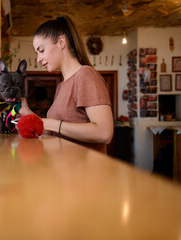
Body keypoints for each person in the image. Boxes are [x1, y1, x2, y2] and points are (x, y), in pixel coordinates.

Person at [19, 15, 114, 154]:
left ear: (61, 42)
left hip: (86, 173)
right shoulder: (61, 86)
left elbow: (104, 133)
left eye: (41, 50)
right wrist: (29, 115)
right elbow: (58, 133)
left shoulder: (86, 75)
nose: (39, 58)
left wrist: (49, 123)